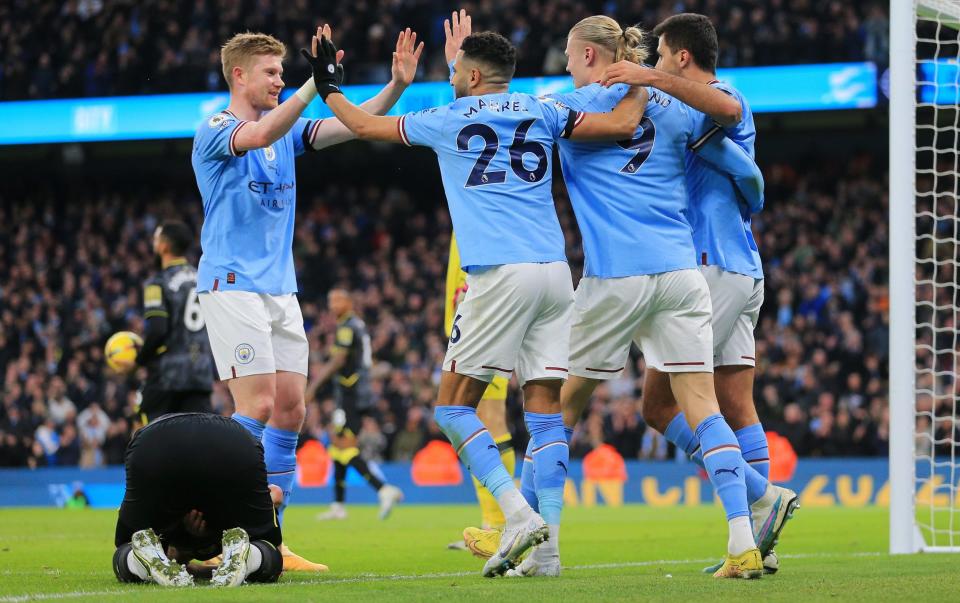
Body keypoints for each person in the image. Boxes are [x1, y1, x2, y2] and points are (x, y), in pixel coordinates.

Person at [308, 24, 644, 576]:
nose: (450, 76)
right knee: (544, 412)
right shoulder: (545, 109)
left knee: (451, 405)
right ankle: (550, 553)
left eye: (454, 70)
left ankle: (514, 515)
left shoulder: (444, 120)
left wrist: (328, 86)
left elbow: (364, 125)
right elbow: (624, 123)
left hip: (498, 275)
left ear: (470, 75)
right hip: (557, 273)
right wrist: (640, 79)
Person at [512, 15, 774, 579]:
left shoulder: (568, 101)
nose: (562, 61)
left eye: (566, 51)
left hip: (615, 276)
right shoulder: (681, 106)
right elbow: (730, 118)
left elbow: (515, 127)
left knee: (557, 404)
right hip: (681, 275)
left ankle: (540, 543)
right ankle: (744, 539)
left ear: (586, 55)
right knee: (702, 406)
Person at [189, 25, 422, 571]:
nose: (280, 79)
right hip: (231, 285)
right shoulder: (217, 129)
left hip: (279, 289)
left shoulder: (288, 132)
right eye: (271, 72)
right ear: (240, 74)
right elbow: (263, 133)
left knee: (292, 409)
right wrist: (315, 85)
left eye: (283, 72)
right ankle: (226, 530)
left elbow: (353, 128)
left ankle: (272, 539)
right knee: (258, 405)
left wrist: (395, 88)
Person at [604, 13, 798, 575]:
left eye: (661, 55)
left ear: (682, 58)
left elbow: (729, 113)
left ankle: (763, 498)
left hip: (710, 265)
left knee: (659, 406)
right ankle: (765, 536)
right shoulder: (698, 105)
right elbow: (751, 181)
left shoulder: (716, 95)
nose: (657, 64)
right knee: (737, 405)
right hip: (741, 266)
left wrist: (650, 81)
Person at [112, 413, 284, 588]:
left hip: (155, 441)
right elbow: (276, 493)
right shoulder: (229, 508)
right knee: (269, 553)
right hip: (230, 440)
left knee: (130, 547)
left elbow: (276, 493)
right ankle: (249, 557)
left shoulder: (168, 525)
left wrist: (188, 564)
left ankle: (139, 561)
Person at [311, 289, 403, 521]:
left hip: (350, 394)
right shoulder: (358, 326)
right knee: (337, 445)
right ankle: (338, 505)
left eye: (338, 299)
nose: (332, 304)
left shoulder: (347, 327)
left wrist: (312, 387)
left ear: (349, 302)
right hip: (355, 393)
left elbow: (339, 360)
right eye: (330, 300)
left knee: (346, 447)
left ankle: (384, 489)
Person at [131, 221, 213, 423]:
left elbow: (158, 330)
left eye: (156, 238)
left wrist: (139, 360)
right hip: (201, 373)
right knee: (196, 439)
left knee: (150, 435)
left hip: (168, 375)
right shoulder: (204, 279)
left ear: (164, 246)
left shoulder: (157, 283)